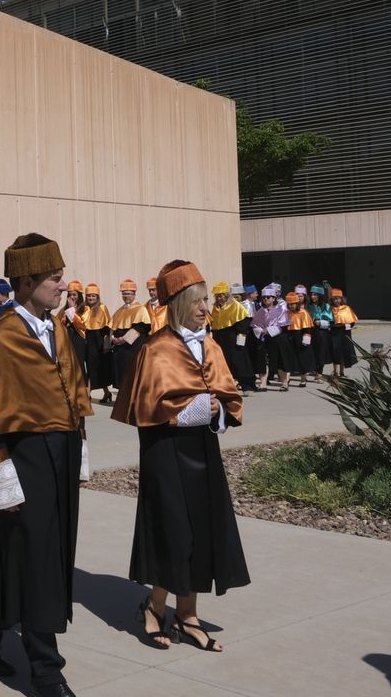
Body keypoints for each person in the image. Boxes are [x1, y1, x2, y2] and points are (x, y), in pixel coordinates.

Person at [0, 233, 92, 697]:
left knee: (23, 558)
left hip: (60, 456)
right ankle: (46, 671)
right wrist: (0, 483)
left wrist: (78, 450)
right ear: (28, 280)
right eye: (55, 277)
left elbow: (73, 395)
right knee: (38, 562)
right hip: (23, 462)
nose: (63, 284)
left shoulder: (57, 329)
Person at [112, 260, 249, 653]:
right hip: (166, 454)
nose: (205, 308)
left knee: (202, 532)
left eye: (206, 300)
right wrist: (187, 411)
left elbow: (229, 397)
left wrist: (218, 410)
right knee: (173, 533)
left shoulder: (210, 344)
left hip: (204, 451)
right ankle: (155, 607)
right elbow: (146, 409)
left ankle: (188, 615)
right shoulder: (155, 349)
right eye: (197, 301)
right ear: (178, 304)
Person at [107, 280, 152, 403]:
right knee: (120, 371)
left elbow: (142, 327)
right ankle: (123, 397)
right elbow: (112, 327)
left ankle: (133, 398)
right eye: (124, 294)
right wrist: (113, 340)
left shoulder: (140, 309)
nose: (126, 296)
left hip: (132, 347)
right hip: (119, 348)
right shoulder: (119, 311)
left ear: (134, 294)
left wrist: (123, 339)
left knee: (132, 372)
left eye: (128, 294)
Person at [207, 283, 257, 392]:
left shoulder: (235, 305)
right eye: (217, 296)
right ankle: (229, 383)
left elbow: (244, 322)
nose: (218, 298)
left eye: (220, 295)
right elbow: (215, 324)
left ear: (226, 295)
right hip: (220, 338)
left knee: (238, 361)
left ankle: (246, 384)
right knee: (225, 361)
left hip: (233, 337)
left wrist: (241, 338)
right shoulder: (216, 307)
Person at [251, 284, 290, 391]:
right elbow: (255, 325)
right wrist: (261, 331)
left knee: (280, 360)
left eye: (268, 297)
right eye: (264, 297)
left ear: (273, 298)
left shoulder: (281, 309)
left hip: (277, 338)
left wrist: (269, 330)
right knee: (263, 361)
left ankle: (284, 382)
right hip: (263, 339)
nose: (266, 299)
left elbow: (283, 325)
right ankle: (263, 383)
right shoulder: (260, 311)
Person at [329, 288, 360, 378]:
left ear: (341, 299)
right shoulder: (330, 309)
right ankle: (336, 372)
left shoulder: (347, 308)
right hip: (334, 333)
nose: (336, 300)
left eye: (338, 298)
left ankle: (341, 372)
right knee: (335, 351)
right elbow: (329, 321)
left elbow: (352, 321)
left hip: (345, 333)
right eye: (334, 298)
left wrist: (348, 324)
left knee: (343, 351)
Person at [285, 291, 312, 389]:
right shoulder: (286, 313)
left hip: (300, 337)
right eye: (289, 304)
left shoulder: (303, 313)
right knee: (288, 359)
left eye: (293, 304)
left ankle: (303, 379)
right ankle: (287, 379)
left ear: (297, 304)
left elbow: (307, 328)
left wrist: (306, 338)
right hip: (289, 337)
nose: (291, 306)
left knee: (302, 359)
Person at [307, 285, 333, 381]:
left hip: (322, 332)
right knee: (312, 351)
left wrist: (320, 322)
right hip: (311, 330)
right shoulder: (309, 306)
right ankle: (313, 369)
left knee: (321, 352)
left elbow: (331, 322)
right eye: (312, 294)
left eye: (315, 295)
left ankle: (320, 372)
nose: (313, 297)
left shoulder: (326, 306)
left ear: (320, 296)